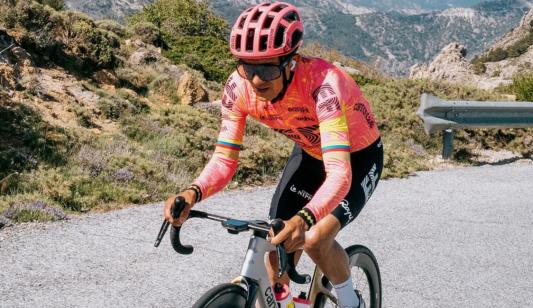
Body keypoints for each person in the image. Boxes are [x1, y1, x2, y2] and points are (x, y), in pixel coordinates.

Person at [163, 2, 383, 307]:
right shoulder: (237, 87)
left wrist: (305, 218)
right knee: (274, 245)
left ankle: (351, 301)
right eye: (248, 66)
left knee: (315, 238)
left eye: (267, 67)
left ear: (290, 61)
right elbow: (225, 160)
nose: (256, 79)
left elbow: (340, 174)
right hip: (309, 154)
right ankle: (284, 302)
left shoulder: (324, 85)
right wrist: (193, 192)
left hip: (357, 158)